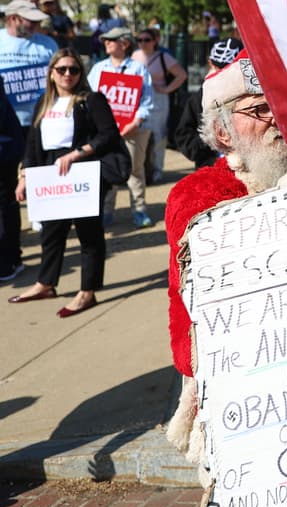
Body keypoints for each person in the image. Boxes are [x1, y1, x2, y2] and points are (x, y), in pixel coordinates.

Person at [164, 51, 287, 477]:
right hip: (252, 399)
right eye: (257, 109)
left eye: (279, 104)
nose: (274, 117)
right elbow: (230, 250)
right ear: (222, 132)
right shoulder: (197, 192)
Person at [8, 51, 122, 316]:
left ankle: (87, 292)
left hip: (82, 171)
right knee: (51, 232)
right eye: (62, 69)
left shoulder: (90, 100)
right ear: (51, 73)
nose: (68, 74)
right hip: (49, 172)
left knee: (89, 233)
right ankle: (45, 283)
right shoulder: (44, 102)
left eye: (74, 69)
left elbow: (109, 134)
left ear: (81, 73)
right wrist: (24, 177)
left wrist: (76, 154)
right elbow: (32, 144)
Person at [0, 0, 57, 276]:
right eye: (29, 20)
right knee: (7, 190)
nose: (35, 25)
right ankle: (12, 249)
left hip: (40, 123)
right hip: (5, 130)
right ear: (13, 18)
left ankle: (47, 232)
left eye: (37, 21)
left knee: (41, 177)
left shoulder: (46, 45)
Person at [87, 26, 155, 228]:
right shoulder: (98, 69)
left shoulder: (138, 69)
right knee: (107, 168)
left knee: (135, 169)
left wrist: (135, 122)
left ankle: (139, 210)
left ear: (124, 44)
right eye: (105, 40)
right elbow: (89, 97)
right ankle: (107, 211)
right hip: (106, 131)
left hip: (134, 130)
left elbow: (147, 100)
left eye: (111, 40)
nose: (106, 43)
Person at [172, 36, 242, 168]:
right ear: (211, 64)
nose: (226, 74)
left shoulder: (254, 94)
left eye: (232, 69)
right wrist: (210, 139)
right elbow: (184, 137)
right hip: (210, 167)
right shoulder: (199, 98)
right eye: (221, 68)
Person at [132, 27, 187, 183]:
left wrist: (166, 89)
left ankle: (157, 169)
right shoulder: (135, 56)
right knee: (139, 133)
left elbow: (181, 75)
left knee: (158, 135)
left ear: (154, 41)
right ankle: (141, 169)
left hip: (158, 98)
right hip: (139, 98)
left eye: (147, 40)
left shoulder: (163, 57)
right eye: (140, 40)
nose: (143, 43)